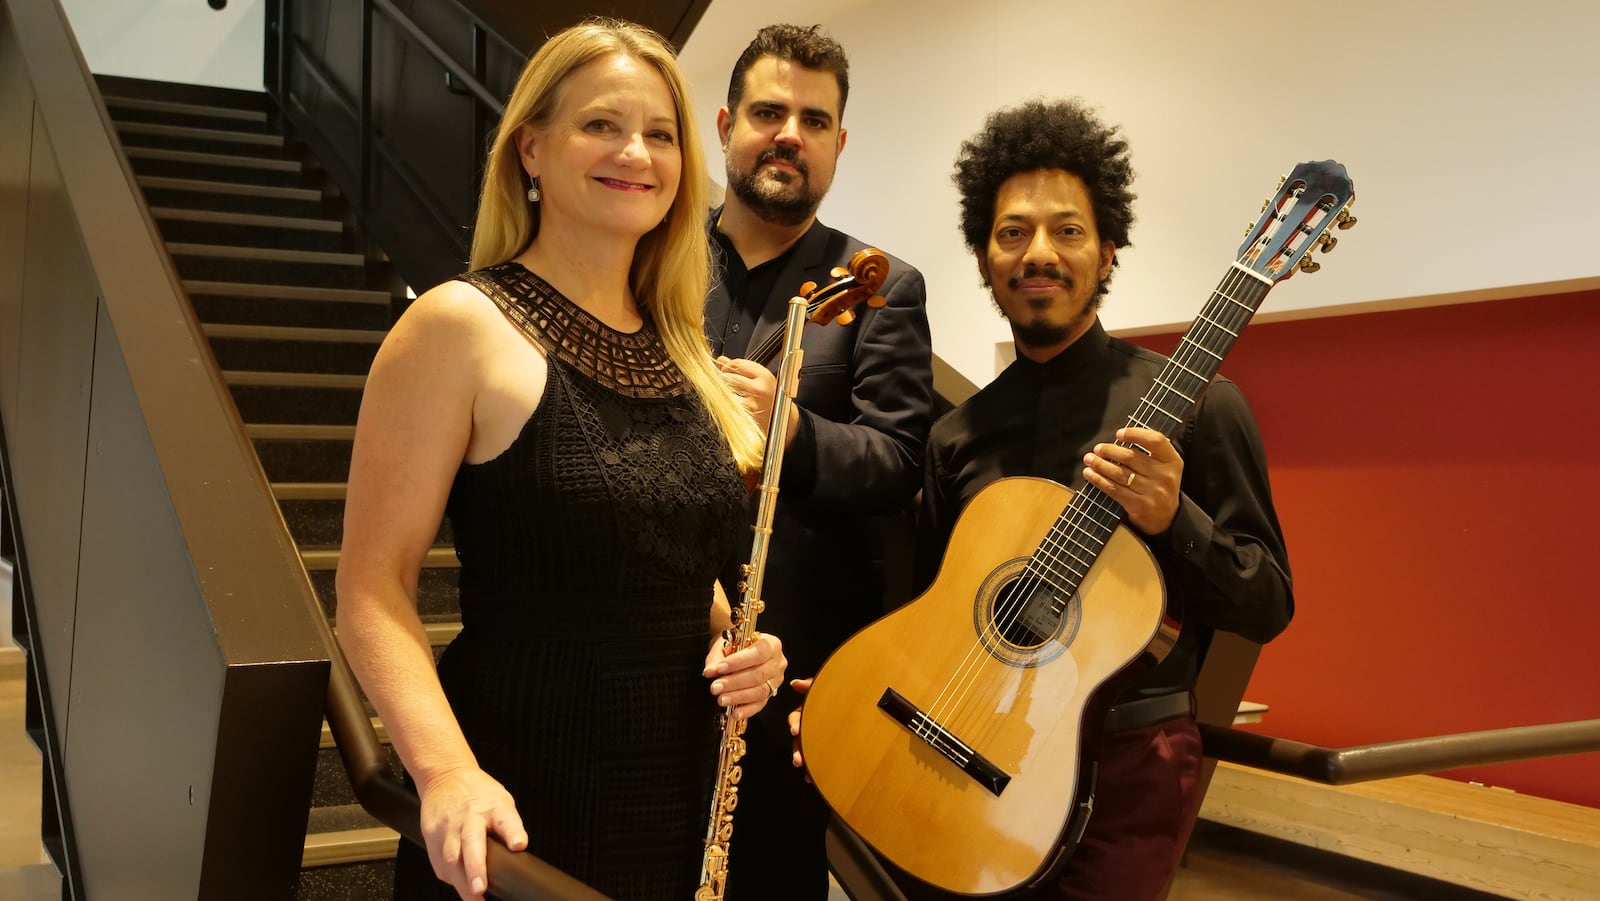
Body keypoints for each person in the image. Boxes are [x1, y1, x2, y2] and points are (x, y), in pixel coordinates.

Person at [334, 19, 787, 901]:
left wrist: (741, 646)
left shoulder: (683, 347)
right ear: (530, 148)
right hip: (521, 793)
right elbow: (370, 586)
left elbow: (675, 561)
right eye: (601, 126)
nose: (636, 152)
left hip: (673, 790)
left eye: (661, 134)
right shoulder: (459, 325)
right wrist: (443, 771)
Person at [907, 98, 1294, 900]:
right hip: (974, 751)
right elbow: (934, 608)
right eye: (1012, 233)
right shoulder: (957, 436)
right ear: (985, 259)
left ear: (1108, 251)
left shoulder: (1200, 404)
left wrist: (1174, 519)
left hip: (1130, 767)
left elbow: (1269, 601)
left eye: (1068, 230)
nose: (1038, 253)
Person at [704, 23, 934, 901]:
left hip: (791, 662)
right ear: (727, 124)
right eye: (768, 111)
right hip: (654, 635)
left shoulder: (881, 285)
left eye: (813, 118)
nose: (788, 134)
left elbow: (895, 462)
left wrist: (788, 425)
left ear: (839, 143)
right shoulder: (654, 259)